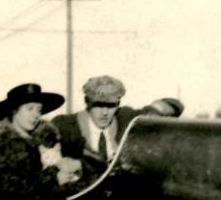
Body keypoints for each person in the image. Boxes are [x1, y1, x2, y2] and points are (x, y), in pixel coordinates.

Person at [50, 75, 183, 179]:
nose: (105, 113)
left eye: (111, 106)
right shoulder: (65, 125)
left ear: (118, 104)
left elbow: (172, 106)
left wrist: (158, 106)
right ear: (87, 102)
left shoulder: (126, 118)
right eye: (98, 105)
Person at [0, 83, 81, 200]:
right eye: (30, 109)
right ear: (14, 111)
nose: (36, 115)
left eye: (39, 110)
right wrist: (55, 179)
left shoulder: (45, 142)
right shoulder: (2, 145)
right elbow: (9, 187)